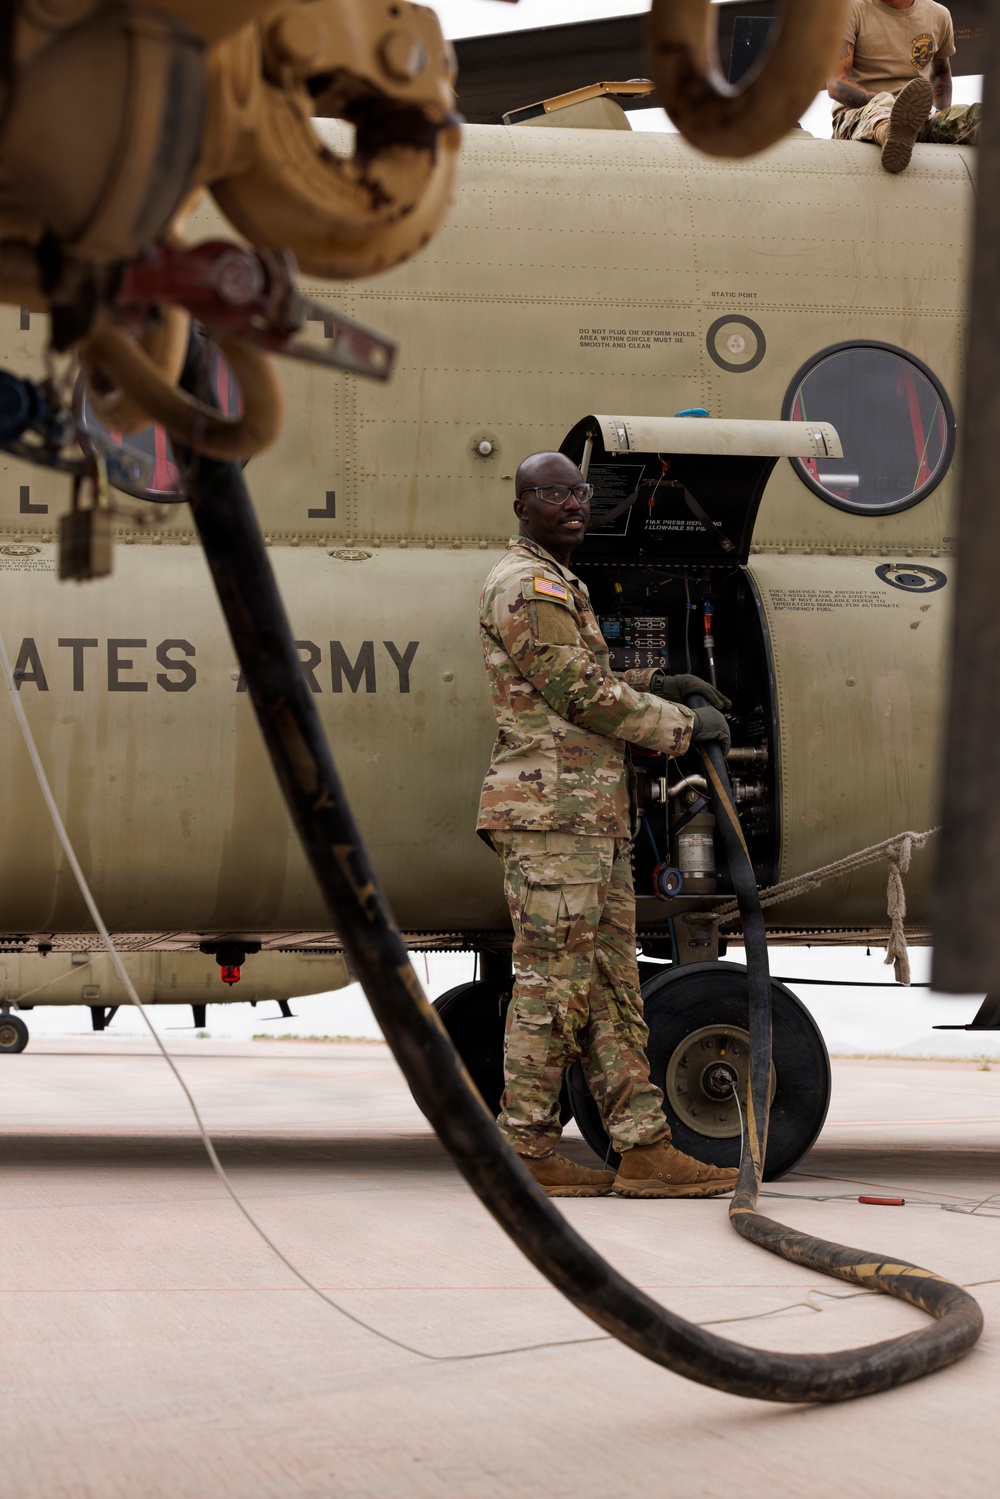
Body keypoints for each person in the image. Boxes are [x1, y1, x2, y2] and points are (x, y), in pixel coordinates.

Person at [476, 450, 739, 1200]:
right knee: (552, 986)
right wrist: (682, 724)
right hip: (552, 816)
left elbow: (592, 678)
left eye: (579, 491)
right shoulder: (526, 584)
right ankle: (524, 1146)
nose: (572, 503)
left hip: (590, 818)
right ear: (521, 504)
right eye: (552, 492)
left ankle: (644, 1147)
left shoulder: (562, 581)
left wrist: (658, 683)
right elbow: (579, 693)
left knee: (613, 989)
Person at [828, 0, 979, 174]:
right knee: (882, 110)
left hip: (918, 116)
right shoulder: (850, 9)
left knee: (975, 117)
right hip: (858, 115)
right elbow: (835, 82)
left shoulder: (939, 15)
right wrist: (891, 104)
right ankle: (893, 138)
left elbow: (940, 74)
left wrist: (939, 118)